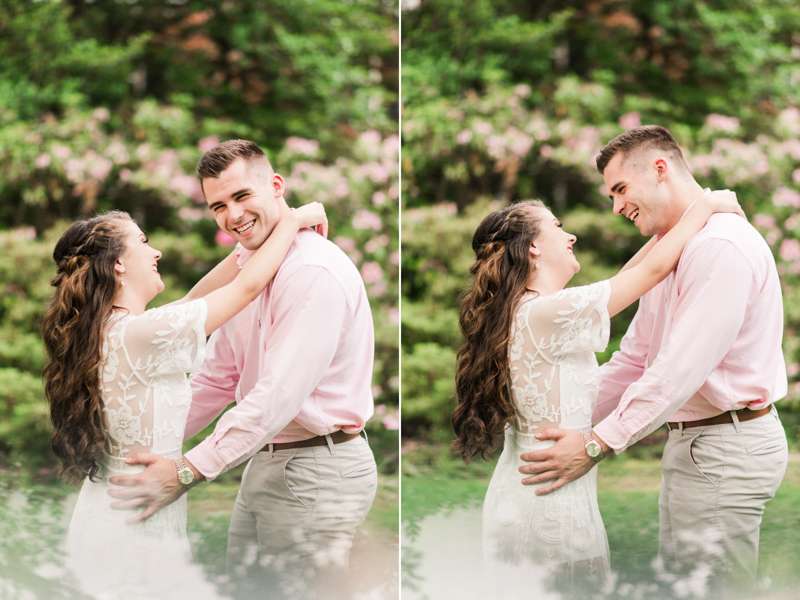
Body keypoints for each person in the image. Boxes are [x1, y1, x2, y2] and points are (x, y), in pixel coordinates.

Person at [518, 125, 789, 591]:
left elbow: (676, 372)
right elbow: (636, 358)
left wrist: (594, 444)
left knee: (715, 589)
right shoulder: (676, 248)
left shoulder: (719, 247)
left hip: (727, 443)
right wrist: (562, 420)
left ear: (660, 169)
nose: (617, 206)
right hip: (695, 445)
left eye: (620, 189)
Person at [105, 140, 378, 597]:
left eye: (242, 197)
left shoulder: (312, 271)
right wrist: (144, 444)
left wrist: (187, 469)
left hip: (317, 465)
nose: (232, 215)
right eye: (218, 206)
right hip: (266, 462)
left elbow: (278, 396)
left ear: (275, 186)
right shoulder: (250, 268)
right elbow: (219, 377)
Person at [452, 187, 742, 594]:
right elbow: (650, 273)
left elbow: (628, 276)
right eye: (557, 226)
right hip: (549, 507)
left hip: (542, 492)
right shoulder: (544, 312)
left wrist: (672, 226)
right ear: (534, 247)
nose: (570, 236)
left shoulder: (533, 309)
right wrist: (705, 206)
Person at [42, 201, 327, 599]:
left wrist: (248, 242)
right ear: (119, 264)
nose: (155, 251)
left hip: (115, 513)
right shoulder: (139, 334)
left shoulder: (118, 331)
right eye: (143, 242)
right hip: (132, 530)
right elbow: (246, 288)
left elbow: (199, 295)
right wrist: (293, 220)